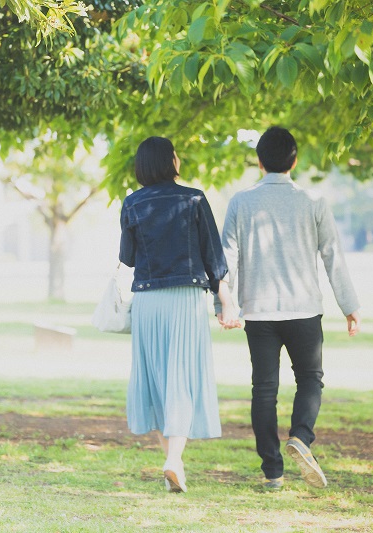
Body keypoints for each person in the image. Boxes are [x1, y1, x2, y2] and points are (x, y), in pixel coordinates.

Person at [215, 126, 361, 490]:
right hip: (304, 309)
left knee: (263, 389)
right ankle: (301, 437)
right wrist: (349, 305)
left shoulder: (241, 202)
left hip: (259, 313)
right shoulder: (313, 200)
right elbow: (332, 255)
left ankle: (273, 473)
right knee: (310, 379)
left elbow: (225, 259)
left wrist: (224, 303)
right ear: (294, 161)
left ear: (260, 162)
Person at [119, 136, 240, 493]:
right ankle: (174, 461)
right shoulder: (193, 198)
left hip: (147, 302)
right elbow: (213, 257)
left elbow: (127, 258)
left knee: (157, 382)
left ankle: (175, 464)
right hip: (184, 299)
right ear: (170, 161)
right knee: (182, 378)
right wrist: (226, 303)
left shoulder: (132, 203)